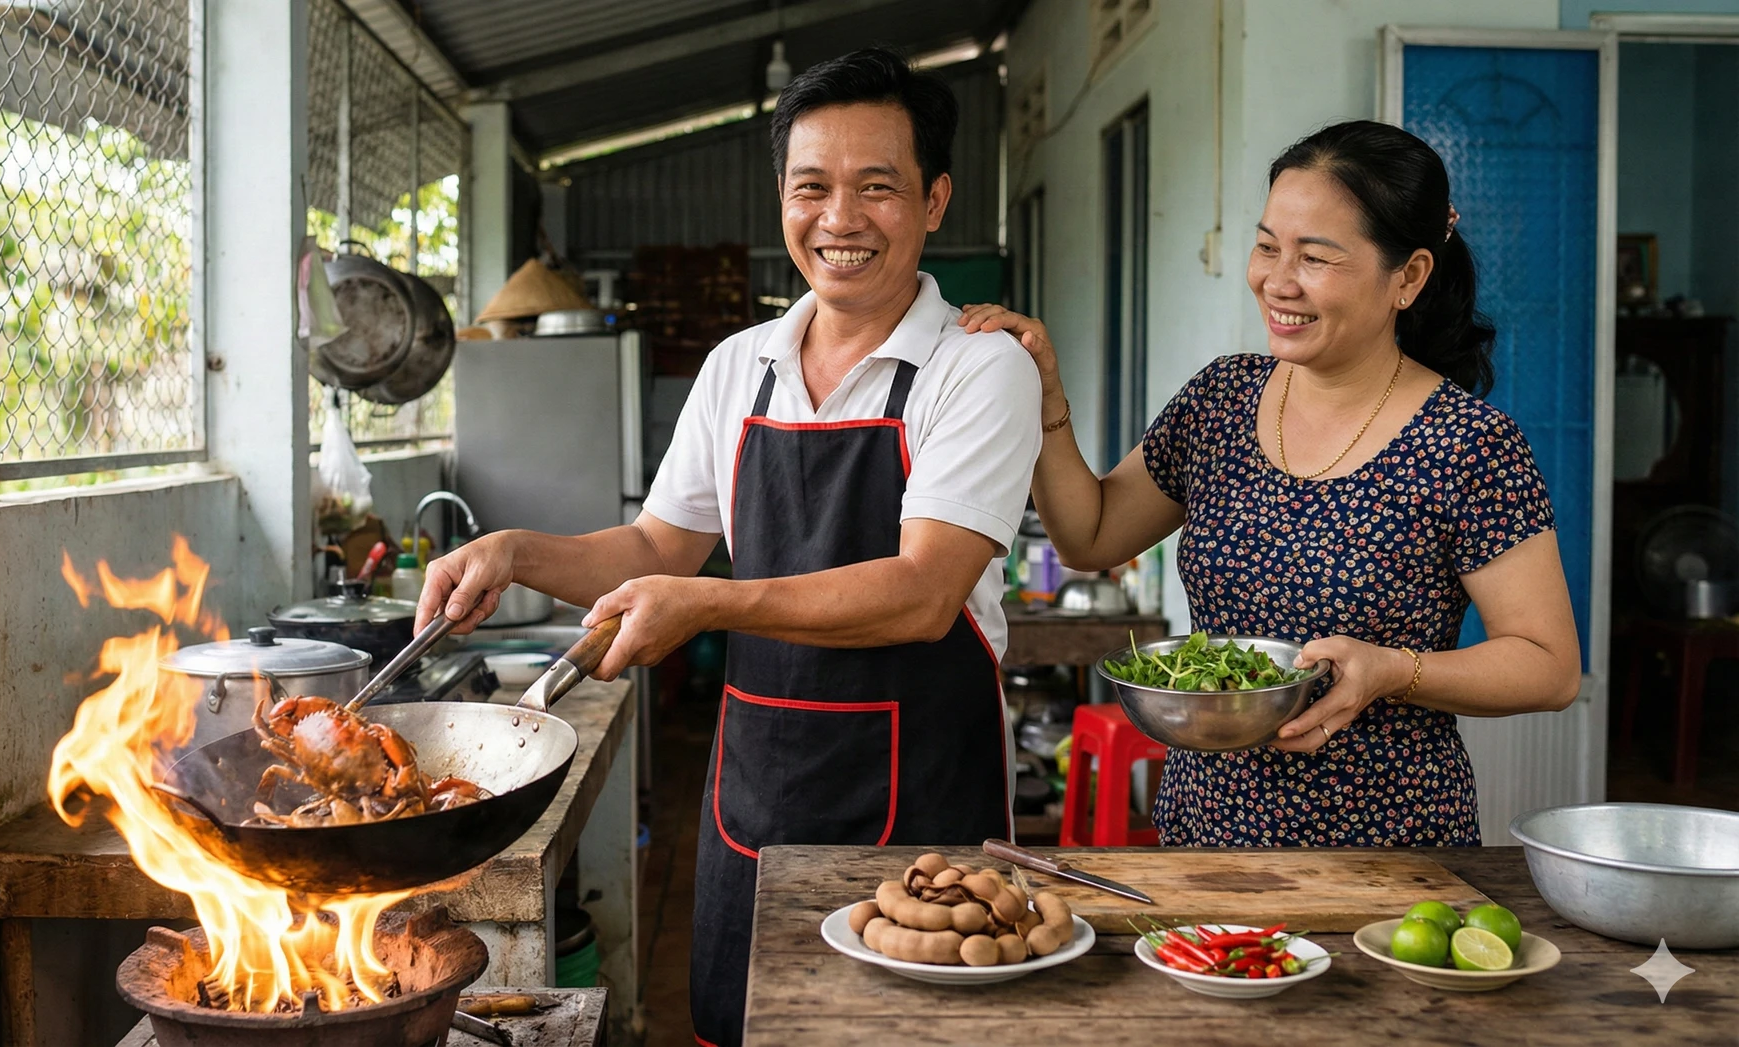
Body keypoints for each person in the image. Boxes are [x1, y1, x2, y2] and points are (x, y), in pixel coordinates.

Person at [416, 49, 1041, 1045]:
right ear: (781, 199)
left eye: (877, 187)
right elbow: (657, 544)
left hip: (925, 809)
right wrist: (515, 551)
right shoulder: (738, 366)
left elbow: (925, 592)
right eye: (812, 187)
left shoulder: (978, 367)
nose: (839, 218)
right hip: (761, 793)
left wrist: (707, 602)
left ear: (935, 201)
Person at [958, 120, 1581, 847]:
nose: (1277, 282)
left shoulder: (1468, 444)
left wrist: (1392, 670)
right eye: (1266, 247)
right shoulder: (1222, 398)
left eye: (1315, 257)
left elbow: (1549, 667)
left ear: (1408, 278)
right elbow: (1090, 535)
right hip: (1205, 836)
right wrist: (1045, 396)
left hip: (1388, 854)